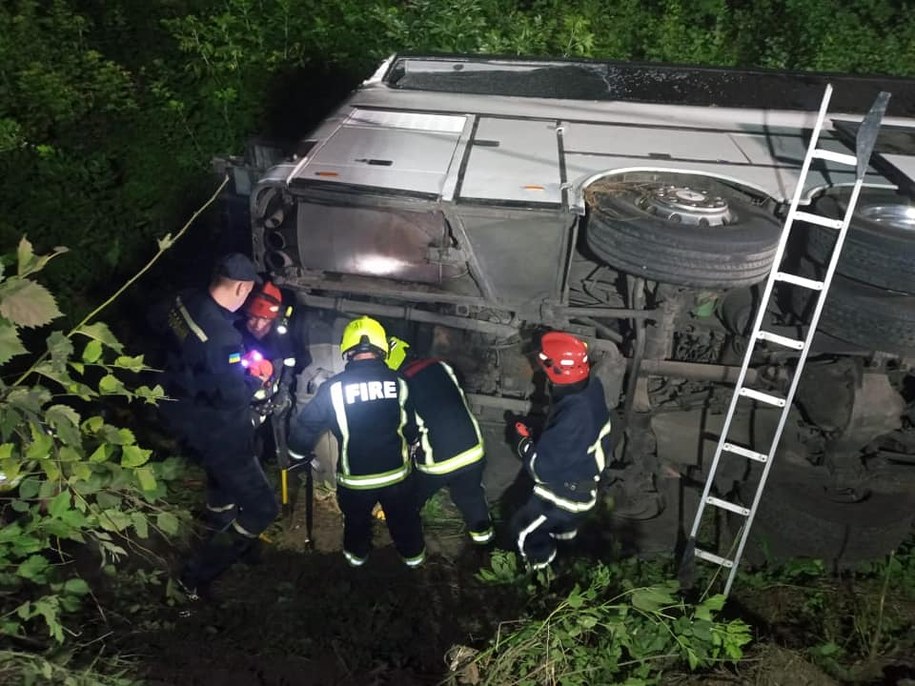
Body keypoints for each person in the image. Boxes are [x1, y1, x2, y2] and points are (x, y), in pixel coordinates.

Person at [155, 253, 280, 601]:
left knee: (222, 491)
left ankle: (223, 530)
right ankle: (195, 577)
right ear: (241, 287)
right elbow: (233, 398)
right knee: (262, 508)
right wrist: (258, 381)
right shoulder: (224, 338)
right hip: (222, 432)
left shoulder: (185, 301)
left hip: (186, 416)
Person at [286, 316, 425, 568]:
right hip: (396, 476)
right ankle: (415, 564)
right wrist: (413, 440)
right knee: (405, 521)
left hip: (356, 480)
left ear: (347, 350)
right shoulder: (400, 383)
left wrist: (296, 453)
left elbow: (307, 425)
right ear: (382, 348)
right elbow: (412, 424)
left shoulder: (333, 388)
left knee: (356, 524)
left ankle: (356, 564)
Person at [511, 331, 612, 570]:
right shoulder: (590, 387)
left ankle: (537, 576)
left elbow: (542, 472)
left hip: (564, 497)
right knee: (563, 535)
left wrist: (523, 442)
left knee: (523, 533)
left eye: (543, 360)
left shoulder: (573, 417)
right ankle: (562, 566)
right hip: (583, 488)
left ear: (557, 369)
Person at [386, 336, 493, 545]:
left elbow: (407, 426)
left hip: (438, 460)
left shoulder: (401, 382)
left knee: (410, 499)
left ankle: (407, 547)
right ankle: (486, 546)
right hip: (473, 449)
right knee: (471, 497)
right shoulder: (442, 366)